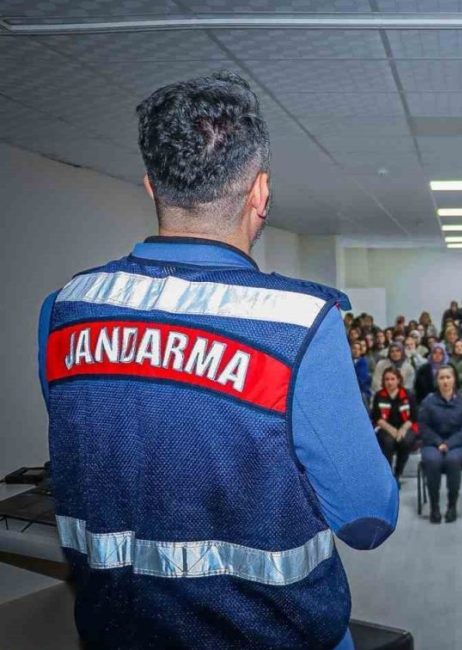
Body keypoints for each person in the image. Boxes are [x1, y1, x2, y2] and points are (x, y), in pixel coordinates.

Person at [36, 73, 396, 648]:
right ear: (260, 192)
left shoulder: (65, 309)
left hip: (115, 634)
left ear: (152, 187)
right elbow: (367, 519)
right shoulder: (298, 322)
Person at [418, 365, 462, 523]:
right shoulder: (428, 402)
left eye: (448, 377)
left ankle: (452, 505)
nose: (445, 381)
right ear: (437, 381)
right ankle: (434, 507)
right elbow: (424, 427)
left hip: (458, 445)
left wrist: (449, 444)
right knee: (433, 460)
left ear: (454, 379)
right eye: (441, 378)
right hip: (432, 444)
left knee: (452, 460)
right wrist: (438, 442)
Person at [371, 367, 417, 480]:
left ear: (398, 380)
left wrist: (402, 430)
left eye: (392, 379)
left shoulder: (408, 394)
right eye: (387, 379)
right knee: (388, 442)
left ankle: (398, 472)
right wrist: (392, 430)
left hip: (405, 426)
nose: (389, 382)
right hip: (385, 427)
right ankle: (388, 474)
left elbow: (413, 417)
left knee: (406, 441)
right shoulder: (379, 395)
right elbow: (376, 417)